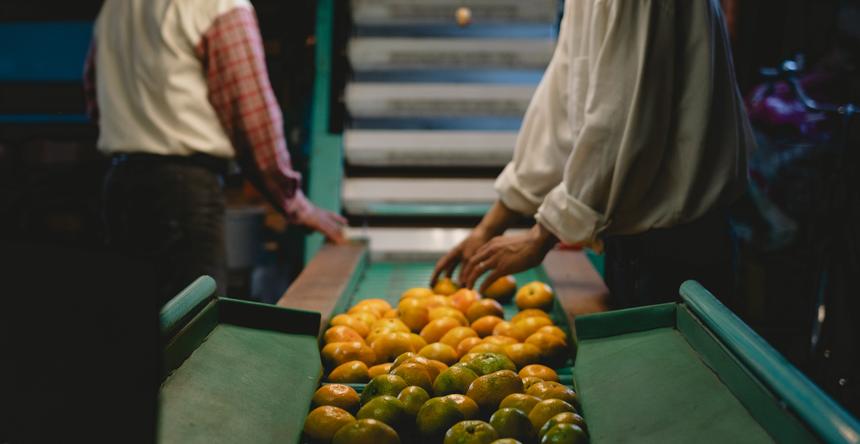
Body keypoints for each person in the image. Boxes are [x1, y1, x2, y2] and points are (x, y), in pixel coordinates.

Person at [432, 0, 754, 308]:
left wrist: (540, 237)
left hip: (678, 253)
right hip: (633, 245)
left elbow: (620, 122)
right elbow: (560, 108)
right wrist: (489, 228)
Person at [84, 0, 347, 303]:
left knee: (132, 327)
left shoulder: (116, 7)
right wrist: (296, 204)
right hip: (182, 192)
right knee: (193, 333)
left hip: (120, 184)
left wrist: (138, 129)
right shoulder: (219, 5)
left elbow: (94, 93)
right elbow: (251, 117)